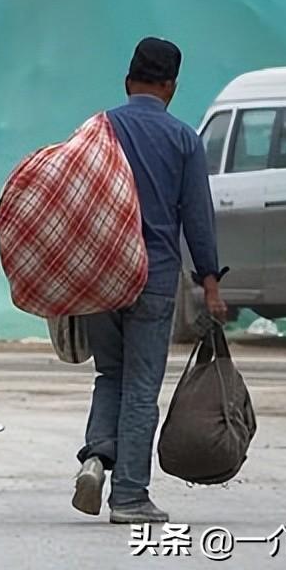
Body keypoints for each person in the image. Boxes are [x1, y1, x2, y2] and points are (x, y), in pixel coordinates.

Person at [73, 38, 226, 526]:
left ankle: (97, 457)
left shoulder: (100, 129)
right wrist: (210, 281)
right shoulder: (183, 139)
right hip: (152, 279)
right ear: (171, 87)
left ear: (127, 81)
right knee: (141, 386)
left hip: (99, 278)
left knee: (110, 375)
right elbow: (197, 218)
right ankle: (130, 496)